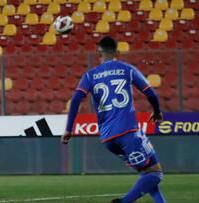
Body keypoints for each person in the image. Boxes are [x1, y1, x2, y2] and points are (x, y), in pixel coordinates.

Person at [62, 36, 166, 203]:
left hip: (108, 138)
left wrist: (69, 129)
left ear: (99, 53)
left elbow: (75, 100)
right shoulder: (127, 69)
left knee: (147, 173)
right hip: (128, 133)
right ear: (117, 52)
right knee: (155, 173)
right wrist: (157, 112)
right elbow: (150, 93)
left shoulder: (90, 76)